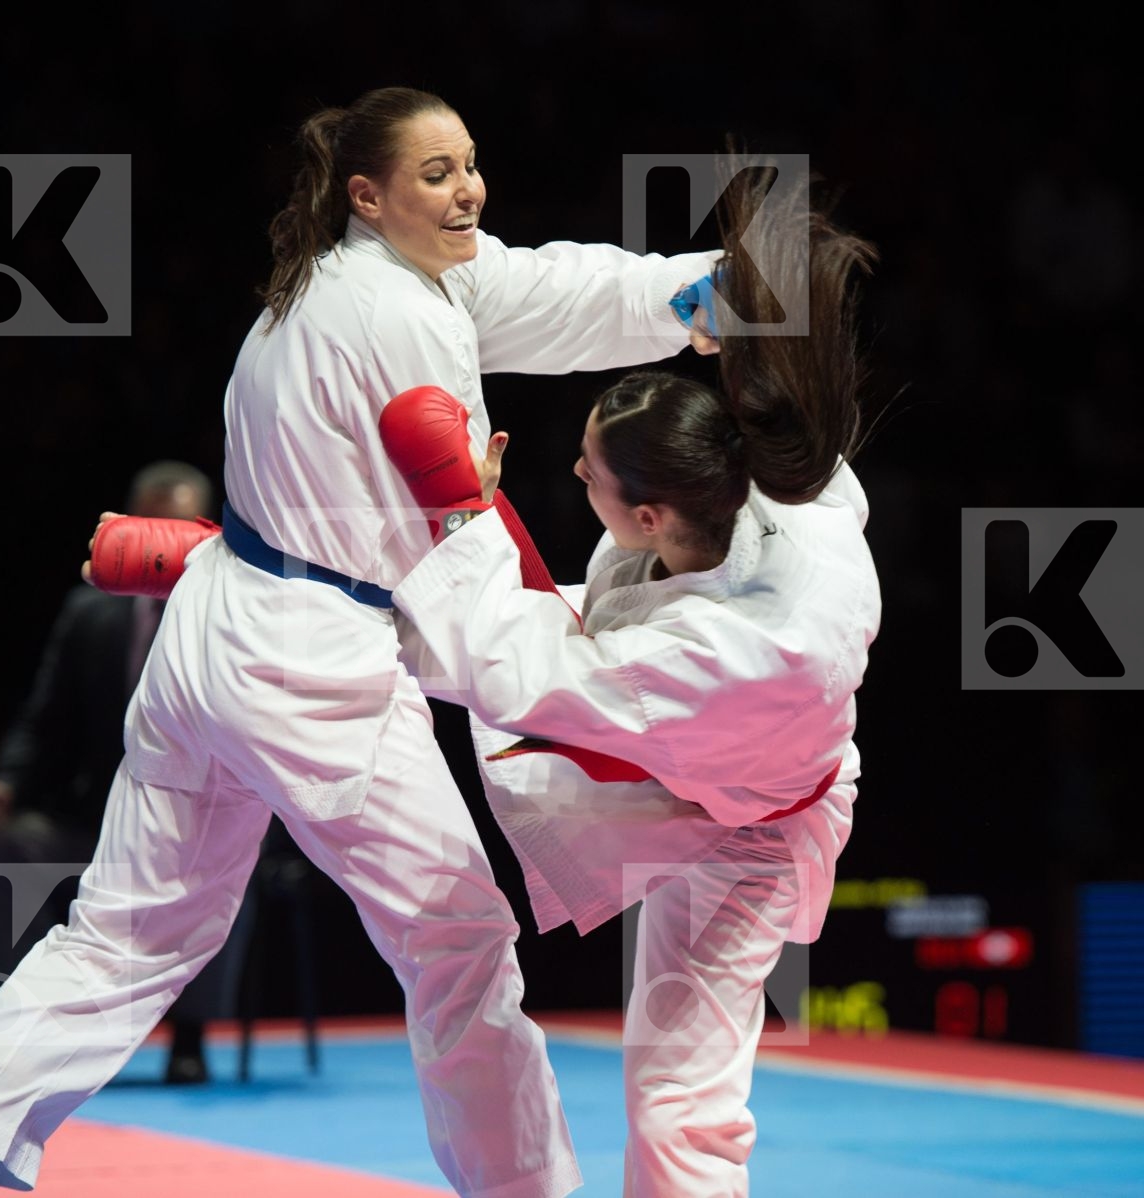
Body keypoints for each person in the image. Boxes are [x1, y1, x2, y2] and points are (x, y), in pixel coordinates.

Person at [0, 86, 717, 1198]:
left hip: (209, 641)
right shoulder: (406, 320)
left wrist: (688, 293)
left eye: (469, 163)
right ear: (368, 194)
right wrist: (582, 690)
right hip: (312, 663)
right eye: (435, 173)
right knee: (460, 941)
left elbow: (545, 288)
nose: (466, 187)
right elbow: (457, 553)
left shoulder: (332, 281)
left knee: (120, 933)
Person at [85, 159, 879, 1198]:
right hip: (678, 747)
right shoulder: (768, 485)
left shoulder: (746, 645)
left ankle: (222, 566)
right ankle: (229, 565)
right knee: (441, 620)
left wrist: (459, 506)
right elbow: (520, 631)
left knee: (680, 1101)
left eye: (587, 475)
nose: (574, 477)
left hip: (746, 820)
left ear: (649, 517)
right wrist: (744, 286)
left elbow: (509, 665)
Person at [0, 460, 245, 1086]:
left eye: (184, 531)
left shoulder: (240, 613)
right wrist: (5, 784)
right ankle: (25, 1027)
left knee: (236, 853)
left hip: (203, 821)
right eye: (156, 529)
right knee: (5, 847)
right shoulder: (90, 615)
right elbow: (42, 718)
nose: (169, 546)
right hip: (95, 820)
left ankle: (190, 1039)